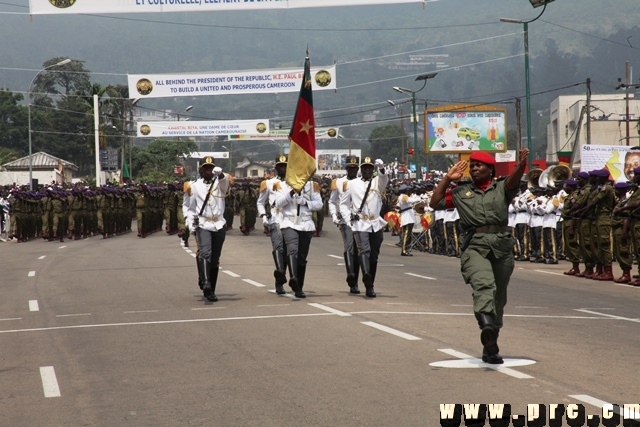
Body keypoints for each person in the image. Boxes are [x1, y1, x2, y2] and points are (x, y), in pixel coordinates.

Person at [429, 149, 529, 364]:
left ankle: (491, 345)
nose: (474, 168)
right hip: (475, 245)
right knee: (485, 285)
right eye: (472, 166)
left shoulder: (502, 188)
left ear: (490, 169)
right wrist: (447, 179)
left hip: (502, 245)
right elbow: (434, 203)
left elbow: (514, 180)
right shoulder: (460, 192)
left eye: (479, 165)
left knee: (498, 296)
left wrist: (521, 165)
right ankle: (486, 326)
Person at [340, 157, 388, 298]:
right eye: (365, 168)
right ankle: (368, 282)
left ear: (373, 170)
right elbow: (343, 203)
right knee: (364, 251)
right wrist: (348, 219)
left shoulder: (376, 182)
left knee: (374, 256)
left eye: (370, 168)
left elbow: (384, 180)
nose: (367, 170)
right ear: (361, 170)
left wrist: (382, 169)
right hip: (360, 223)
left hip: (376, 223)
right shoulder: (352, 184)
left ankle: (369, 281)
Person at [185, 157, 230, 302]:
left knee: (215, 258)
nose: (209, 171)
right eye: (206, 168)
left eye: (211, 168)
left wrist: (221, 175)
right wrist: (190, 223)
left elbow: (225, 185)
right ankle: (205, 282)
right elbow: (188, 207)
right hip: (203, 224)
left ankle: (211, 289)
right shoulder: (193, 186)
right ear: (201, 170)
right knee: (205, 252)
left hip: (219, 224)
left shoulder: (220, 183)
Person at [273, 174, 323, 299]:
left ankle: (299, 286)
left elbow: (319, 204)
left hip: (306, 224)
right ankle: (293, 277)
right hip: (289, 223)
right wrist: (290, 194)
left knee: (301, 257)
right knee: (292, 250)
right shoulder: (282, 185)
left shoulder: (312, 186)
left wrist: (306, 202)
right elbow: (277, 203)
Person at [328, 155, 361, 293]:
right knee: (349, 247)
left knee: (359, 251)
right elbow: (332, 201)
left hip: (360, 220)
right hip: (345, 220)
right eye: (350, 168)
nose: (352, 170)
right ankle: (351, 276)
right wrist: (334, 215)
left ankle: (355, 281)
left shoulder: (362, 182)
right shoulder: (339, 182)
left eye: (354, 168)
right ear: (346, 169)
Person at [257, 156, 289, 295]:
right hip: (275, 218)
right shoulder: (269, 183)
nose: (282, 168)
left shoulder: (295, 182)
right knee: (278, 246)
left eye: (285, 166)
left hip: (291, 220)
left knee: (288, 251)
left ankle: (280, 277)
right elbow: (260, 202)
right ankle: (280, 273)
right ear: (275, 168)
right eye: (280, 166)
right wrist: (263, 215)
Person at [396, 184, 421, 256]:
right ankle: (404, 250)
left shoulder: (401, 197)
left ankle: (406, 249)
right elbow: (411, 201)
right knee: (406, 234)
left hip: (407, 216)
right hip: (407, 217)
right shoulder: (404, 196)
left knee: (407, 234)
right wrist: (419, 199)